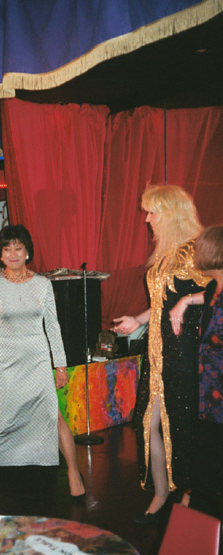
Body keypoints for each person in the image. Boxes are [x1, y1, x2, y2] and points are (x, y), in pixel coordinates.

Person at [112, 185, 209, 525]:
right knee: (147, 421)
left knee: (183, 422)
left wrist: (187, 301)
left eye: (153, 212)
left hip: (185, 350)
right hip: (158, 351)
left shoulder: (195, 250)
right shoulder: (166, 253)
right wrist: (136, 321)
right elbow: (161, 304)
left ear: (171, 214)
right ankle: (161, 492)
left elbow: (217, 290)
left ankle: (190, 492)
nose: (147, 219)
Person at [0, 224, 81, 502]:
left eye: (18, 248)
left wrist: (60, 365)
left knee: (54, 416)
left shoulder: (43, 284)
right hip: (8, 362)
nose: (13, 254)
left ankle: (74, 472)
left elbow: (53, 326)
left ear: (27, 252)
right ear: (0, 254)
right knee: (0, 421)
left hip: (38, 360)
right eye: (7, 249)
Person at [170, 225, 223, 502]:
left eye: (200, 249)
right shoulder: (214, 286)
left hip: (219, 390)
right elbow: (208, 297)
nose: (195, 255)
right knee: (208, 453)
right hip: (209, 390)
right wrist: (185, 300)